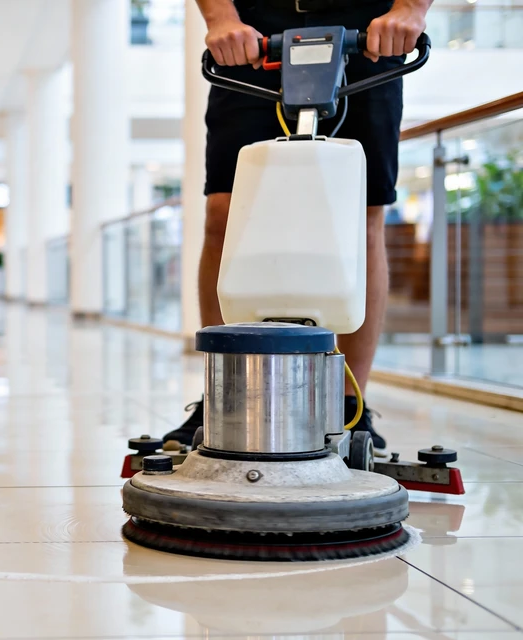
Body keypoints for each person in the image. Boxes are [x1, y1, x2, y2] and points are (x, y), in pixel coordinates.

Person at [165, 0, 432, 452]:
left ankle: (350, 406)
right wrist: (221, 19)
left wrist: (411, 9)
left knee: (364, 217)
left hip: (367, 29)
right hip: (254, 33)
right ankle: (222, 401)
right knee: (224, 215)